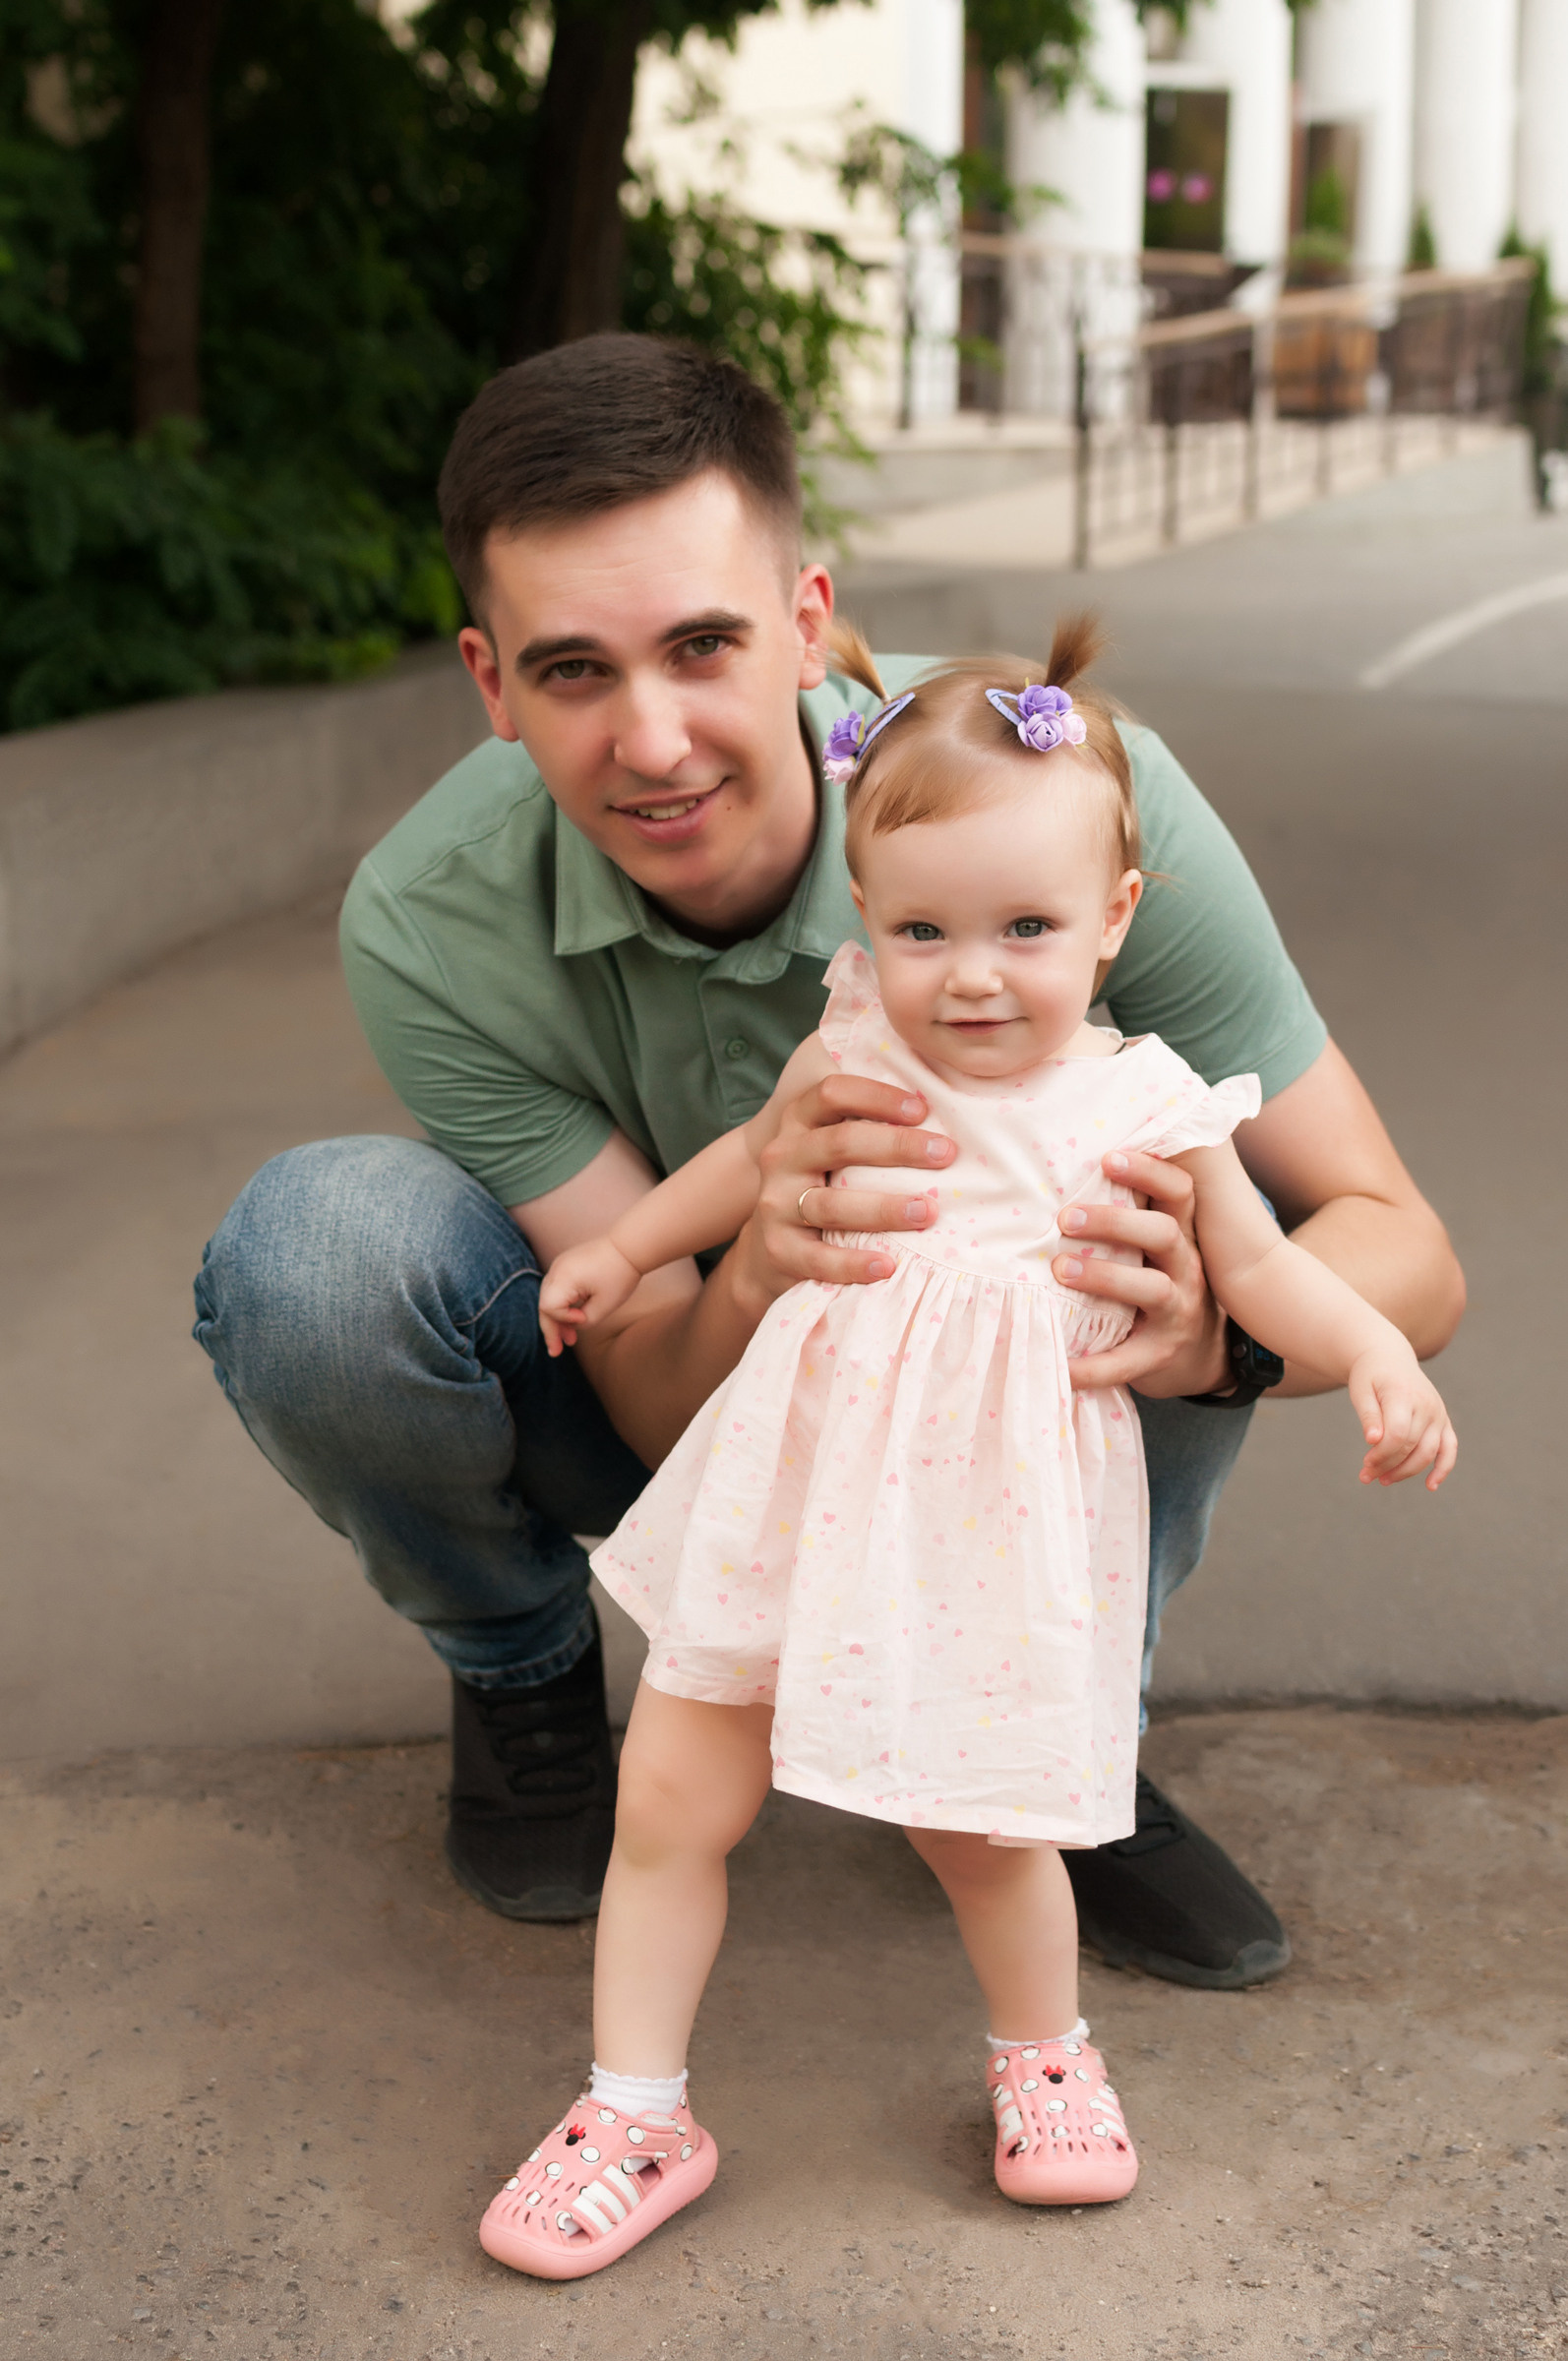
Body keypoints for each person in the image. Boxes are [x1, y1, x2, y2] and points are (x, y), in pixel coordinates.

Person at [192, 333, 1465, 1993]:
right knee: (313, 1253)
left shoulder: (1062, 799)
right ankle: (518, 1663)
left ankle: (1049, 1730)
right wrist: (757, 1257)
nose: (653, 741)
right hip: (713, 1385)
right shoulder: (427, 923)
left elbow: (1399, 1245)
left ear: (806, 624)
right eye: (573, 670)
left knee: (1177, 1213)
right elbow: (652, 1401)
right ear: (490, 684)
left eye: (703, 645)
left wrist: (1215, 1340)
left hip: (1019, 1403)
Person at [475, 619, 1454, 2275]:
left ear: (1114, 921)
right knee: (669, 1794)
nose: (972, 973)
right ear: (866, 919)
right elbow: (736, 1164)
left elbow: (1266, 1261)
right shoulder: (855, 1037)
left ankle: (1043, 2057)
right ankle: (636, 2107)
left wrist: (1364, 1350)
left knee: (986, 1827)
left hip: (984, 1532)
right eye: (922, 926)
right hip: (796, 1500)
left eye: (1024, 926)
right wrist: (627, 1250)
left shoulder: (1145, 1103)